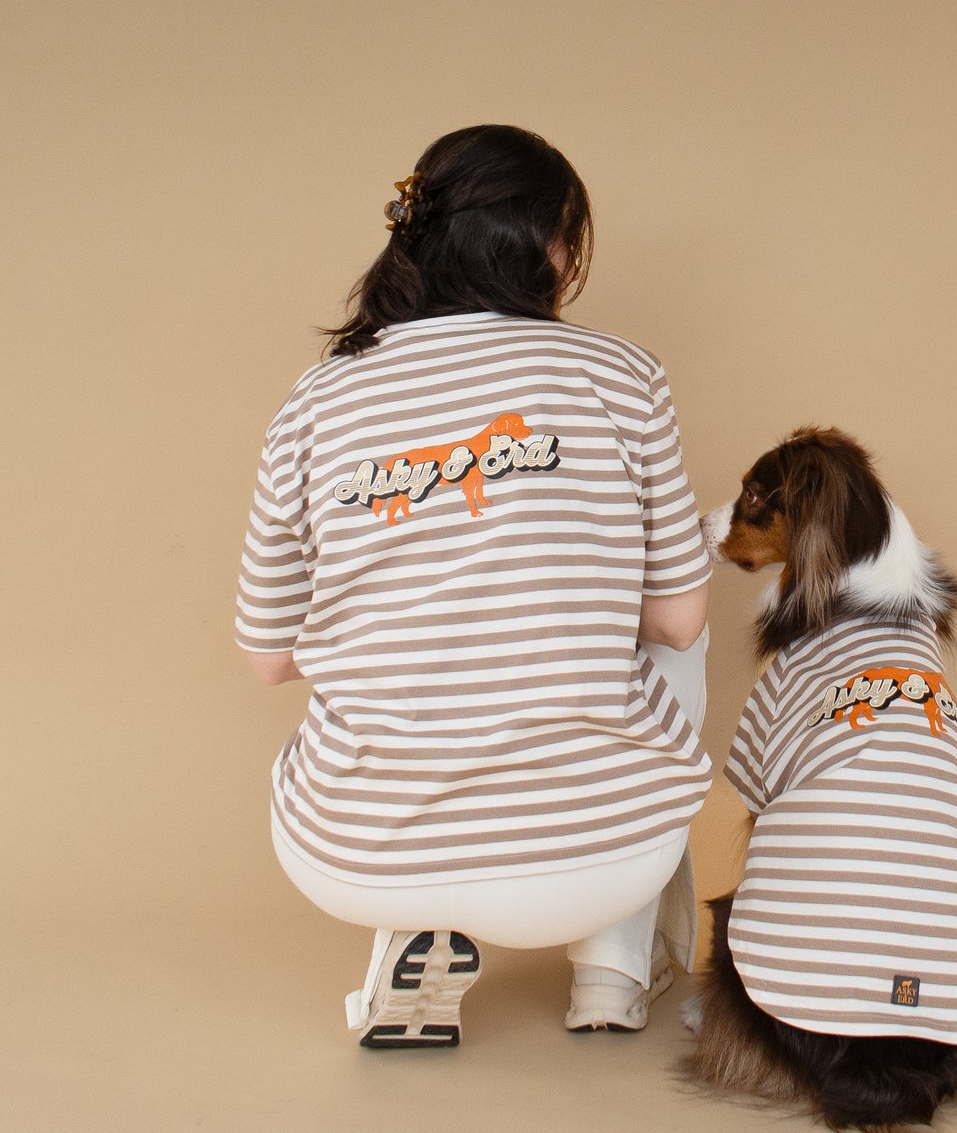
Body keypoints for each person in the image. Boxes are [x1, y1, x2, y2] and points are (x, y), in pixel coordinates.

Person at [235, 124, 711, 1046]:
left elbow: (269, 658)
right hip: (593, 864)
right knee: (673, 616)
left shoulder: (315, 401)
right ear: (547, 244)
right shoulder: (621, 374)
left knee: (388, 654)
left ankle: (412, 922)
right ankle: (612, 968)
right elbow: (680, 622)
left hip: (352, 856)